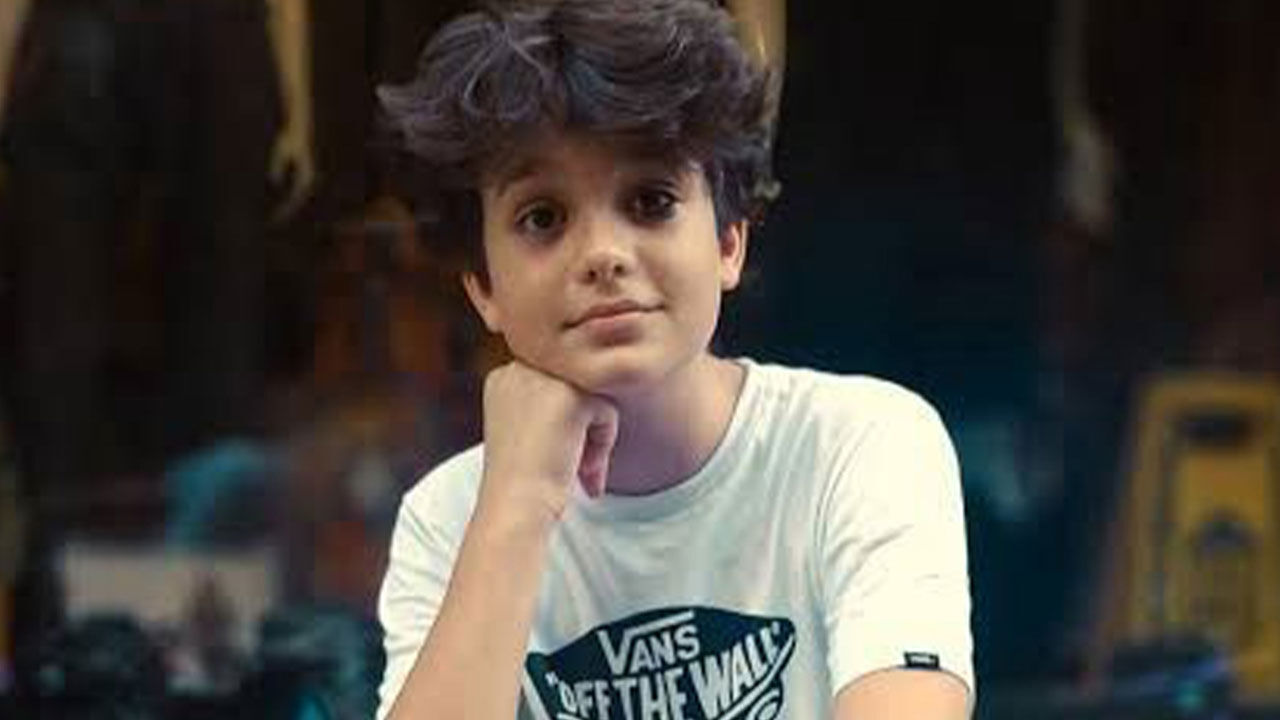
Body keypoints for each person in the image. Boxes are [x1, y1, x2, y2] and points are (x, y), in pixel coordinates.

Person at [374, 1, 974, 718]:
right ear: (483, 287)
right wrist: (516, 505)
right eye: (543, 217)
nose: (602, 255)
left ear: (729, 241)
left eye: (651, 201)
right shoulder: (449, 518)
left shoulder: (860, 444)